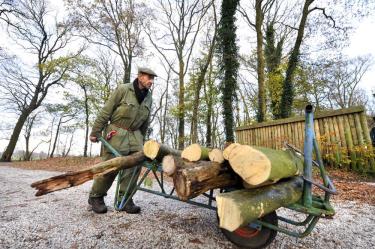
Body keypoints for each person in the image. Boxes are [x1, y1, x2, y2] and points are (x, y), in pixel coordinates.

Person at [88, 67, 156, 214]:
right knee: (110, 166)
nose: (151, 81)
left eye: (153, 79)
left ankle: (124, 199)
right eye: (148, 78)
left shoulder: (149, 98)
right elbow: (106, 110)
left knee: (134, 168)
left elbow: (145, 122)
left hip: (135, 135)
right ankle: (96, 197)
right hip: (117, 132)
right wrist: (96, 131)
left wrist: (142, 141)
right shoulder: (123, 90)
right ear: (139, 76)